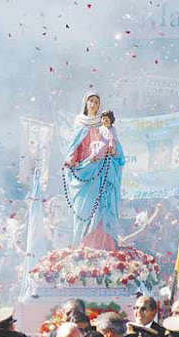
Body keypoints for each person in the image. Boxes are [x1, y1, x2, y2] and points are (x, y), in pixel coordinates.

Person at [63, 92, 124, 250]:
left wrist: (111, 150)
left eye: (96, 102)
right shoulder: (79, 123)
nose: (93, 104)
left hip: (99, 170)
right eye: (91, 101)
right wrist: (71, 160)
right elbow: (74, 147)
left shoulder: (102, 125)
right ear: (85, 103)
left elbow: (112, 142)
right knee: (83, 209)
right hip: (84, 170)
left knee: (100, 208)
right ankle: (82, 246)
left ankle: (101, 247)